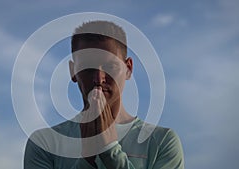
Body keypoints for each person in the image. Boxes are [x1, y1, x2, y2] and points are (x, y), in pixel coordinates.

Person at [24, 21, 184, 169]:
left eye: (110, 66)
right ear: (73, 71)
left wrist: (110, 151)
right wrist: (87, 158)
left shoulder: (162, 141)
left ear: (128, 68)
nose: (98, 78)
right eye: (87, 67)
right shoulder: (44, 144)